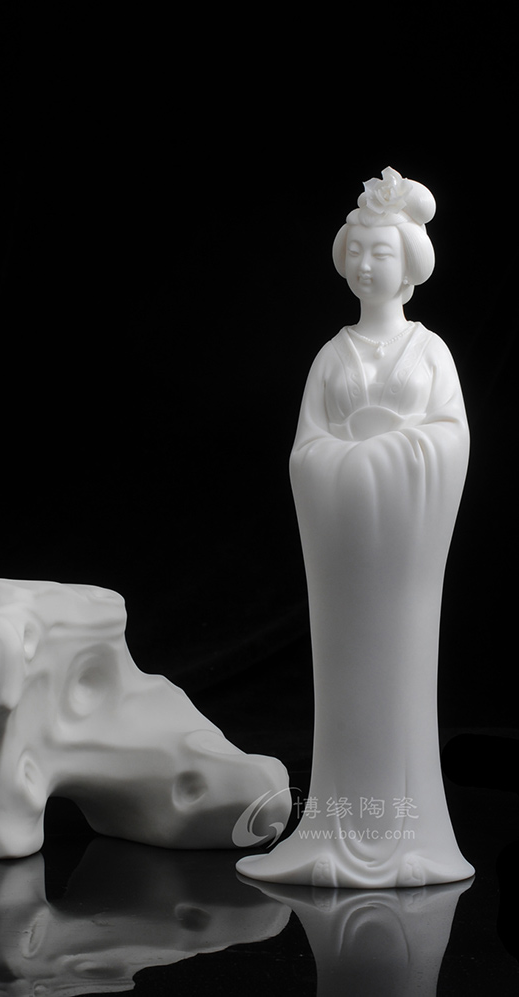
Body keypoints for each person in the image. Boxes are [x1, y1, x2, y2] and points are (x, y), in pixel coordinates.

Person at [237, 168, 475, 888]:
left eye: (383, 252)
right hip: (345, 560)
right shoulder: (331, 356)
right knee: (347, 686)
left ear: (410, 265)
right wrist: (350, 462)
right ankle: (334, 835)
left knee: (401, 680)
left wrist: (390, 454)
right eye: (360, 251)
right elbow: (304, 455)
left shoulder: (430, 353)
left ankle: (409, 839)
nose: (369, 264)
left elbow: (452, 440)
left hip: (403, 555)